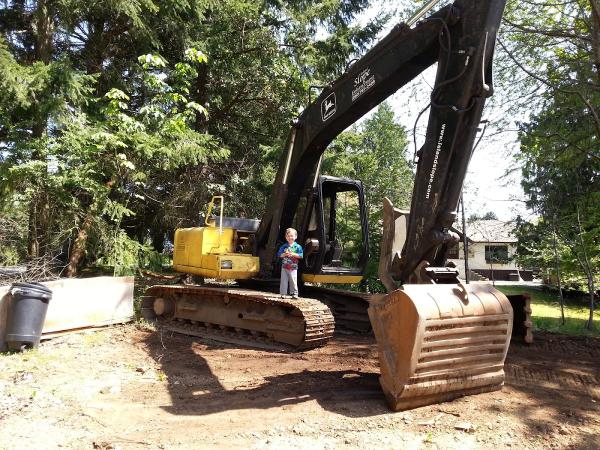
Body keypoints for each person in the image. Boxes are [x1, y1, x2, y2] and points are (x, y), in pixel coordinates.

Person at [277, 228, 303, 298]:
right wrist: (285, 254)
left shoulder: (298, 247)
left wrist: (293, 254)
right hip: (284, 266)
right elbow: (279, 255)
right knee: (284, 280)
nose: (290, 237)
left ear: (295, 237)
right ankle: (283, 294)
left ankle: (294, 293)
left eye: (292, 236)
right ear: (286, 237)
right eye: (288, 236)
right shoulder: (284, 246)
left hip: (293, 266)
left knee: (293, 279)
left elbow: (301, 255)